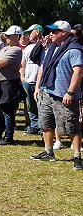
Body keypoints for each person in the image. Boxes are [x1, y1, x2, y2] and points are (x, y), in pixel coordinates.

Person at [31, 21, 83, 171]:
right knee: (46, 123)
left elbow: (78, 72)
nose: (51, 34)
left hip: (64, 95)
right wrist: (38, 86)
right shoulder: (51, 49)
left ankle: (77, 157)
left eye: (55, 31)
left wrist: (70, 92)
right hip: (47, 91)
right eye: (51, 31)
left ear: (64, 33)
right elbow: (42, 67)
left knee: (71, 126)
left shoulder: (74, 50)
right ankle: (48, 152)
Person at [0, 25, 25, 145]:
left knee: (7, 109)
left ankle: (9, 136)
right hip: (0, 83)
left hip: (9, 83)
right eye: (6, 35)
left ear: (17, 36)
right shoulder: (5, 49)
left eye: (8, 35)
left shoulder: (16, 50)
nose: (6, 37)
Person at [21, 24, 44, 135]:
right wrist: (22, 77)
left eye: (31, 32)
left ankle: (42, 127)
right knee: (30, 105)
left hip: (39, 82)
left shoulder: (44, 46)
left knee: (41, 106)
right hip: (28, 80)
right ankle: (34, 126)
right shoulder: (27, 48)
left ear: (37, 32)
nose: (28, 35)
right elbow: (23, 63)